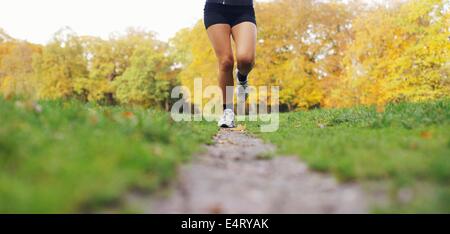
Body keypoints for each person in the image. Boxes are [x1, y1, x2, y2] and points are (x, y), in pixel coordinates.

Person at [203, 0, 257, 128]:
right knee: (226, 61)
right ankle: (228, 111)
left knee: (246, 59)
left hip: (243, 9)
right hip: (215, 9)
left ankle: (242, 78)